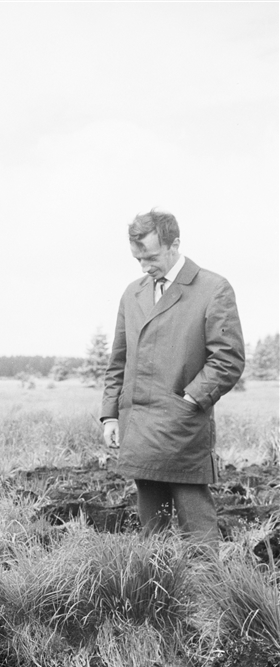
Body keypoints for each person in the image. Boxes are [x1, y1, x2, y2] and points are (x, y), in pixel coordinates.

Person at [101, 210, 244, 552]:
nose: (144, 267)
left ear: (174, 244)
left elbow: (228, 359)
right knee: (153, 533)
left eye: (151, 257)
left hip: (183, 427)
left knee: (198, 530)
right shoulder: (133, 293)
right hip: (139, 425)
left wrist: (190, 400)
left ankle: (210, 584)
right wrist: (110, 415)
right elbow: (119, 358)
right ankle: (157, 582)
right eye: (138, 259)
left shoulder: (213, 288)